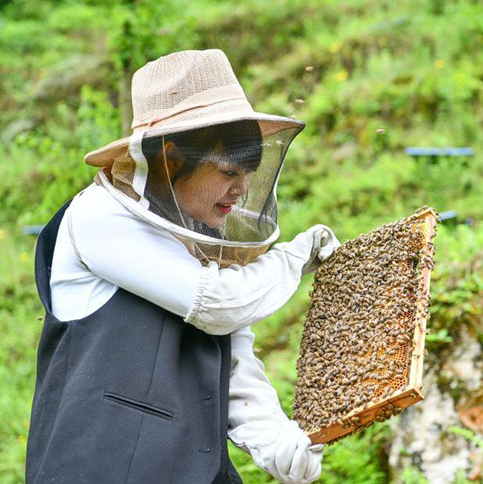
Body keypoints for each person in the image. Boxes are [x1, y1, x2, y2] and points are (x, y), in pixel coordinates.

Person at [26, 49, 338, 483]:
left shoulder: (200, 232)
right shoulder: (98, 217)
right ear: (171, 158)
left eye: (248, 174)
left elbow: (231, 354)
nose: (241, 190)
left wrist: (274, 438)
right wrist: (294, 256)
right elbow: (219, 303)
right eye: (230, 172)